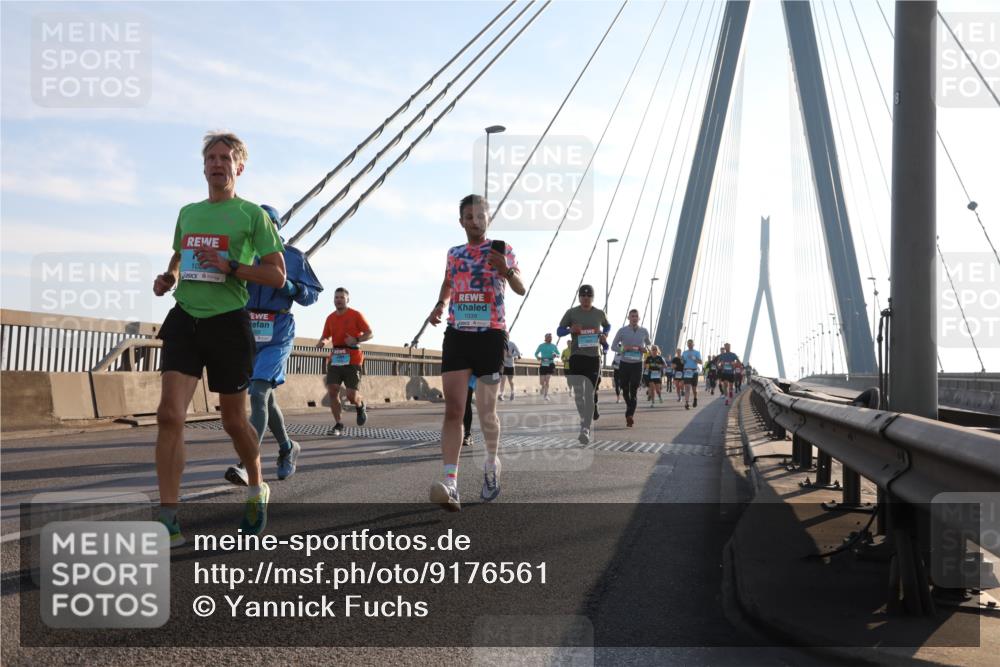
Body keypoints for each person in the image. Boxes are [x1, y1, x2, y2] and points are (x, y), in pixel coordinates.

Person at [152, 131, 286, 546]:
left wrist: (232, 267)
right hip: (185, 317)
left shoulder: (251, 216)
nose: (217, 163)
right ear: (203, 165)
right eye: (211, 157)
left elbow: (276, 274)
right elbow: (179, 253)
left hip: (228, 323)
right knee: (169, 414)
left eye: (225, 157)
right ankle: (169, 515)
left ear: (238, 167)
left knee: (232, 420)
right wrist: (169, 276)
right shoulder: (189, 212)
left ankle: (256, 487)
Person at [427, 194, 525, 511]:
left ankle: (491, 464)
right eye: (468, 216)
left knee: (486, 414)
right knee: (454, 409)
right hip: (458, 333)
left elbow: (521, 287)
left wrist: (506, 271)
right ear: (461, 222)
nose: (474, 220)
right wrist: (441, 303)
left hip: (491, 336)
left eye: (480, 215)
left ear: (488, 218)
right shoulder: (454, 254)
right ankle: (451, 483)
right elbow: (448, 281)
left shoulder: (502, 248)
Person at [224, 204, 323, 487]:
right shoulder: (241, 253)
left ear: (277, 227)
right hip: (247, 329)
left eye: (268, 223)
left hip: (278, 329)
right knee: (265, 398)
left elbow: (311, 296)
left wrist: (292, 287)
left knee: (258, 392)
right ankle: (288, 447)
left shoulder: (292, 257)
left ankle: (245, 463)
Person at [557, 285, 611, 444]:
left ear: (592, 298)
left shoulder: (599, 313)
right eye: (583, 296)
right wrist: (570, 329)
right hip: (576, 357)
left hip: (593, 358)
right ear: (579, 297)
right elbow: (559, 331)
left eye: (589, 296)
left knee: (589, 393)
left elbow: (607, 325)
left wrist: (604, 334)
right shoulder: (572, 313)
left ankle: (585, 428)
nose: (586, 298)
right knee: (579, 394)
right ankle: (584, 420)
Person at [316, 288, 373, 435]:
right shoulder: (330, 318)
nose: (339, 300)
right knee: (333, 390)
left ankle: (360, 405)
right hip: (336, 357)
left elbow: (370, 333)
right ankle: (338, 424)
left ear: (347, 300)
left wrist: (356, 340)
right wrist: (323, 341)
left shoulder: (356, 315)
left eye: (342, 297)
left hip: (353, 358)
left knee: (351, 396)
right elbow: (327, 335)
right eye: (336, 297)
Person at [609, 309, 650, 427]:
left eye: (636, 316)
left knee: (634, 390)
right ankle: (629, 408)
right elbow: (613, 346)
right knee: (625, 390)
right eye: (632, 316)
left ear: (639, 318)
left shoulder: (644, 331)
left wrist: (645, 350)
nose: (634, 318)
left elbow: (649, 345)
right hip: (625, 364)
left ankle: (629, 415)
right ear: (628, 318)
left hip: (637, 364)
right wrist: (623, 349)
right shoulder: (622, 331)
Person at [534, 333, 560, 401]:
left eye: (551, 337)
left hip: (551, 364)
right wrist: (538, 357)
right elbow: (536, 353)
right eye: (549, 337)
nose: (550, 339)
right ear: (545, 338)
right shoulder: (541, 346)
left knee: (547, 380)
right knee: (542, 382)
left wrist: (555, 355)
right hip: (543, 364)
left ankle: (546, 395)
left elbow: (558, 354)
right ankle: (542, 386)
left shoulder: (554, 346)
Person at [681, 338, 703, 410]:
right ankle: (686, 403)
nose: (689, 345)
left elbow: (700, 362)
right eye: (688, 343)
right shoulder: (684, 352)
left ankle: (695, 399)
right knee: (687, 388)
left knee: (694, 389)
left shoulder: (697, 352)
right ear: (687, 344)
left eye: (691, 343)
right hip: (687, 372)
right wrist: (682, 361)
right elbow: (682, 362)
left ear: (693, 344)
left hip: (694, 372)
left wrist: (694, 358)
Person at [462, 375, 476, 447]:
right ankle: (466, 433)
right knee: (463, 403)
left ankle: (467, 434)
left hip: (475, 372)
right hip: (459, 372)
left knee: (466, 402)